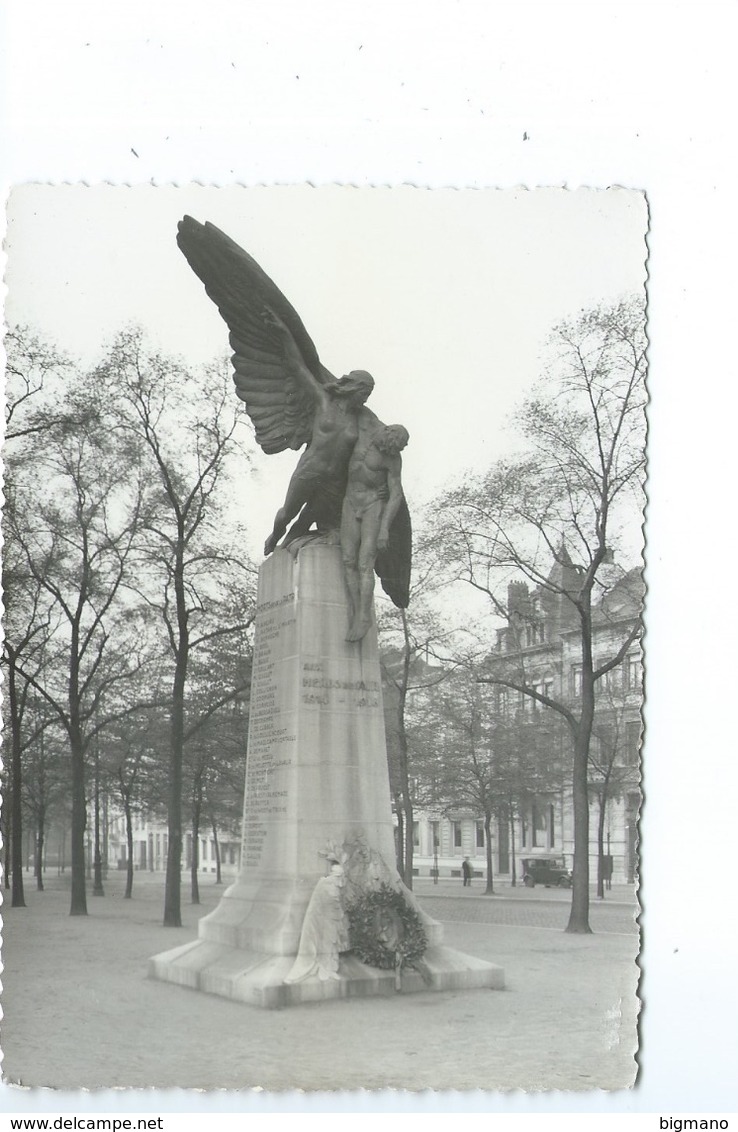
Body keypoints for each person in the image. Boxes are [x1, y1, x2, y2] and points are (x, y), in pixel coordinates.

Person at [261, 308, 378, 556]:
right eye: (364, 392)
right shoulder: (324, 403)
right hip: (309, 470)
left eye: (368, 395)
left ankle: (287, 549)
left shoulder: (361, 422)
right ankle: (275, 536)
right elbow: (297, 366)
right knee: (287, 514)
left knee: (308, 518)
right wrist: (284, 334)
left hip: (333, 481)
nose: (365, 398)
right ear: (352, 388)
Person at [340, 421, 410, 641]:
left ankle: (363, 616)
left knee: (364, 562)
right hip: (350, 502)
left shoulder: (392, 460)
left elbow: (396, 493)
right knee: (348, 559)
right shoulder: (361, 434)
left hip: (373, 505)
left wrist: (384, 529)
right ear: (387, 432)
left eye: (394, 450)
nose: (389, 452)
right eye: (390, 446)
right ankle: (354, 609)